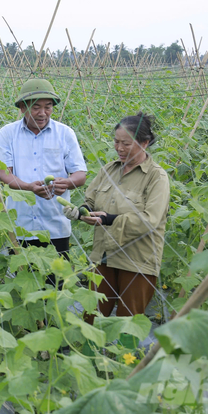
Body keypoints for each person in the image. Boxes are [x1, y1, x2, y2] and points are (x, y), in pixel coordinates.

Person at [64, 112, 169, 324]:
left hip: (138, 260)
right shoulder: (109, 170)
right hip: (104, 255)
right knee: (91, 317)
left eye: (126, 144)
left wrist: (108, 219)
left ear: (145, 143)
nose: (119, 148)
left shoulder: (157, 177)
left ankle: (126, 358)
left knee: (127, 323)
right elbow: (91, 200)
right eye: (116, 142)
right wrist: (81, 211)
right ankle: (89, 355)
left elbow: (150, 220)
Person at [0, 78, 87, 287]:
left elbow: (80, 174)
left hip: (55, 225)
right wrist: (28, 188)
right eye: (35, 107)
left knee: (56, 288)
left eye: (48, 107)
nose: (42, 113)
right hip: (21, 226)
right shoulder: (8, 133)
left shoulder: (65, 133)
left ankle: (52, 322)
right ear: (22, 108)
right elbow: (4, 173)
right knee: (25, 286)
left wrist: (67, 182)